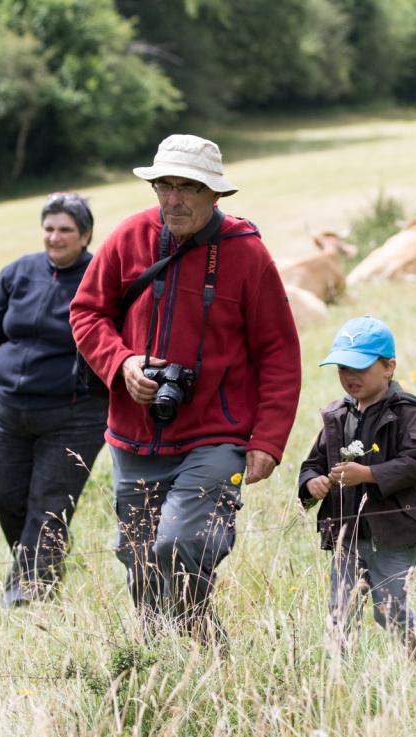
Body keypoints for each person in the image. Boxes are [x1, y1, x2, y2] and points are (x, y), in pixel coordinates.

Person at [70, 134, 302, 645]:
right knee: (139, 564)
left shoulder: (246, 255)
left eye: (187, 188)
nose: (173, 199)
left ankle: (197, 650)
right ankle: (181, 665)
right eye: (164, 186)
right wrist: (122, 363)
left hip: (216, 435)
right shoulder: (128, 237)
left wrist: (267, 439)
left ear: (214, 196)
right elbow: (86, 312)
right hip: (134, 435)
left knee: (178, 544)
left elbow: (279, 351)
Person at [0, 193, 109, 607]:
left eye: (66, 230)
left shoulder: (100, 275)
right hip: (10, 409)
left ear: (86, 235)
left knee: (49, 504)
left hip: (73, 413)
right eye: (49, 228)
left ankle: (28, 596)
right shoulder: (17, 273)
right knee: (1, 493)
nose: (55, 237)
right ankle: (41, 563)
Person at [297, 315, 416, 660]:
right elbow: (313, 463)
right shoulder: (337, 415)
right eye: (342, 369)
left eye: (360, 368)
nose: (350, 377)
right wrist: (312, 482)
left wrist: (368, 474)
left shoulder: (406, 412)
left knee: (389, 608)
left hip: (394, 530)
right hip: (348, 532)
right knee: (340, 611)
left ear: (388, 367)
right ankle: (338, 681)